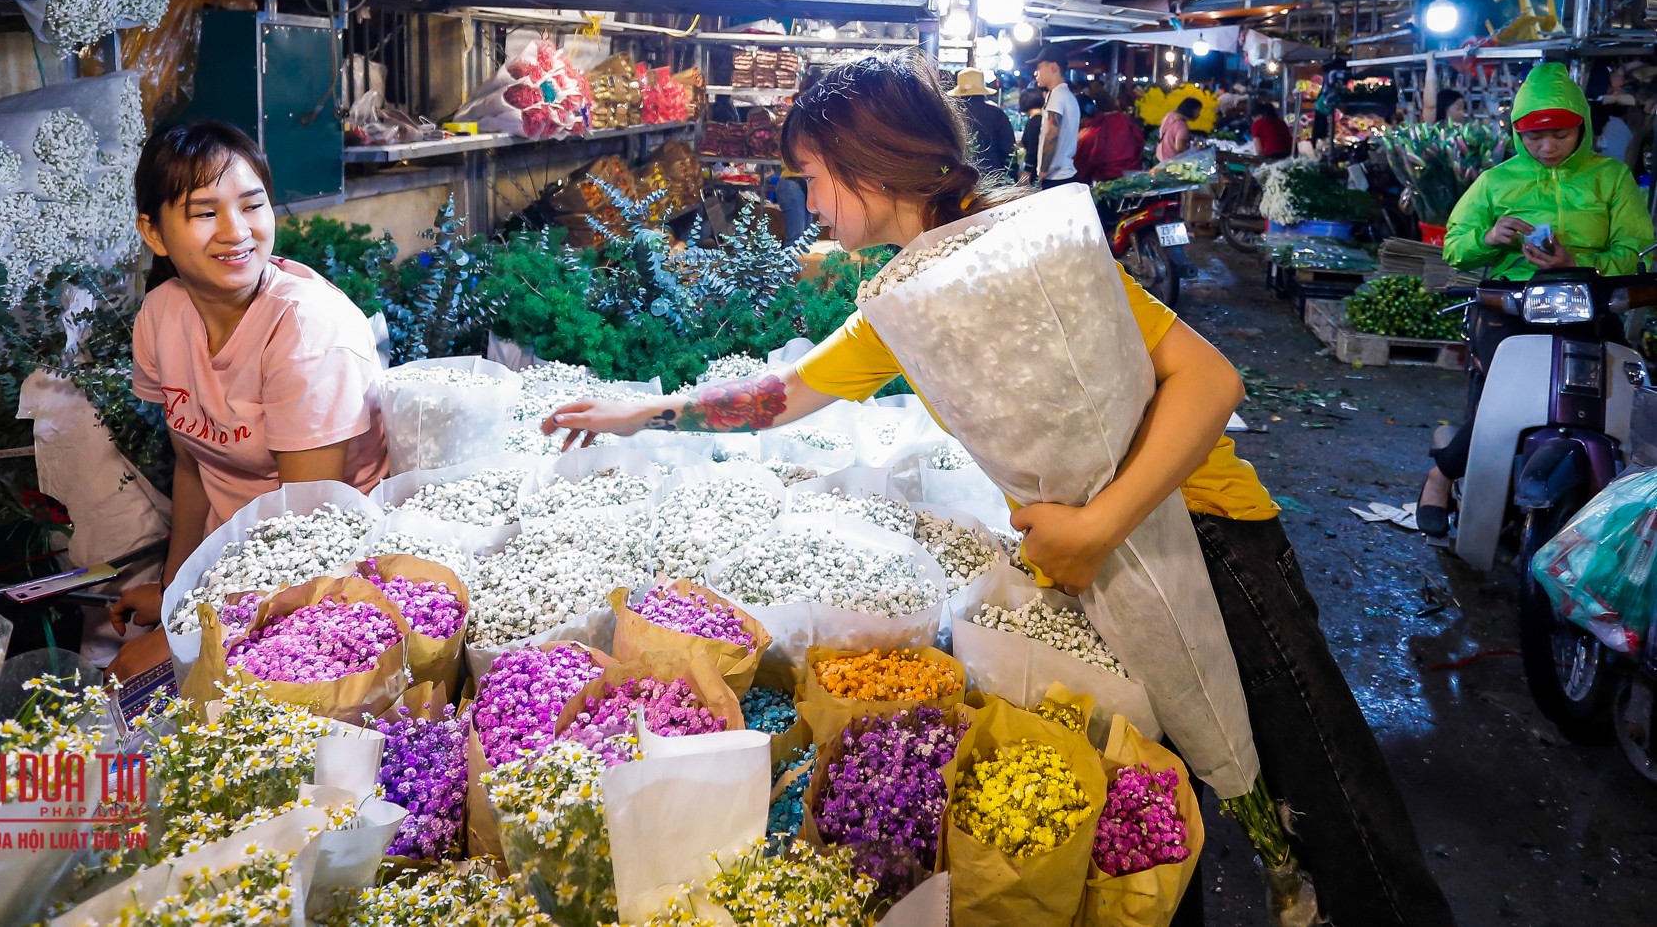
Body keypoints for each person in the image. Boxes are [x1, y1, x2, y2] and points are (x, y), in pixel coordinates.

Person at [546, 51, 1455, 927]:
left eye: (815, 174)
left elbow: (1211, 382)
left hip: (1208, 538)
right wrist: (641, 410)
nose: (807, 199)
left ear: (873, 164)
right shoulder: (911, 296)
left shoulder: (1022, 251)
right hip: (1107, 556)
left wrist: (1098, 525)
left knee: (1335, 815)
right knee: (1180, 803)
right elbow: (781, 395)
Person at [109, 121, 393, 633]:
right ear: (154, 233)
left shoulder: (306, 330)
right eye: (204, 212)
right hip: (231, 573)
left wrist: (192, 633)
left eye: (252, 205)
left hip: (336, 580)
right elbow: (194, 468)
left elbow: (309, 531)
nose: (236, 231)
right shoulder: (161, 314)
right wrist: (179, 594)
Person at [1416, 63, 1655, 528]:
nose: (1546, 147)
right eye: (1532, 137)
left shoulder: (1611, 178)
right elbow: (1455, 249)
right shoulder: (1495, 181)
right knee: (1507, 396)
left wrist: (1576, 264)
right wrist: (1490, 237)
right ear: (1516, 132)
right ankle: (1439, 477)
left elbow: (1633, 250)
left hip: (1589, 304)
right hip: (1509, 306)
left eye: (1560, 135)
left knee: (1621, 389)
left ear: (1581, 128)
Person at [946, 67, 1018, 181]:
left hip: (959, 180)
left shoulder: (951, 115)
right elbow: (1009, 150)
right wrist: (1012, 177)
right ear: (982, 91)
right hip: (993, 178)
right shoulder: (997, 114)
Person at [1035, 46, 1083, 189]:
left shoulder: (1057, 95)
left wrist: (1043, 170)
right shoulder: (1067, 95)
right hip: (1066, 176)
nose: (1035, 73)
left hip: (1056, 179)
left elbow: (1051, 133)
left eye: (1039, 67)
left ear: (1053, 67)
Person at [1074, 91, 1145, 183]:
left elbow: (1081, 168)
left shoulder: (1087, 135)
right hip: (1133, 176)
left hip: (1105, 183)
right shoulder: (1122, 119)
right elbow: (1140, 141)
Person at [1157, 96, 1202, 162]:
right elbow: (1180, 148)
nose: (1198, 114)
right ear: (1192, 110)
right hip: (1172, 162)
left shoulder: (1170, 115)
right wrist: (1194, 150)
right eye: (1198, 111)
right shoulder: (1182, 126)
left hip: (1161, 157)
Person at [1019, 86, 1046, 182]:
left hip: (1036, 171)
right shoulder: (1043, 118)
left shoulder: (1034, 122)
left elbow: (1033, 149)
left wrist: (1027, 170)